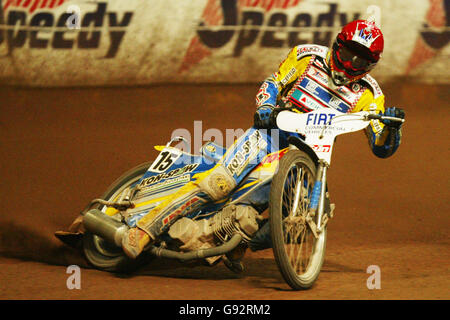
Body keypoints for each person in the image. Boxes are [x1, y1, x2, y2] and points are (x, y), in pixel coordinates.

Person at [121, 19, 405, 264]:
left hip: (312, 156)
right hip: (271, 134)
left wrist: (392, 130)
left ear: (371, 65)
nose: (350, 63)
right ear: (337, 44)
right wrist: (265, 107)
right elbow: (273, 83)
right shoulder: (307, 56)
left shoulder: (370, 94)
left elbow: (381, 146)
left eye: (360, 60)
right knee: (219, 183)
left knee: (304, 221)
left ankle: (236, 243)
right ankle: (146, 228)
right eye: (347, 53)